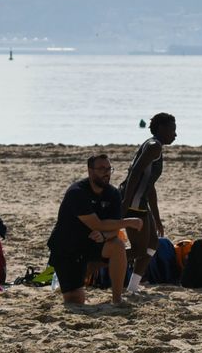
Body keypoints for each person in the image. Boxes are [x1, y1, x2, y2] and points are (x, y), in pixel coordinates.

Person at [47, 154, 142, 305]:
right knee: (75, 300)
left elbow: (113, 228)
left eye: (109, 169)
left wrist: (104, 236)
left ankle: (117, 300)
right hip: (67, 248)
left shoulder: (113, 194)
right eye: (101, 169)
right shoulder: (77, 192)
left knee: (117, 245)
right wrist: (128, 222)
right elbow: (97, 224)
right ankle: (67, 280)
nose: (106, 172)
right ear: (90, 171)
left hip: (92, 244)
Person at [118, 113, 176, 294]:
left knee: (153, 244)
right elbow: (135, 173)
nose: (175, 134)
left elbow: (150, 187)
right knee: (139, 250)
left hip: (140, 201)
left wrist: (157, 219)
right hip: (133, 201)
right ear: (161, 128)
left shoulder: (155, 147)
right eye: (172, 130)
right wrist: (126, 202)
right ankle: (96, 262)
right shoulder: (153, 146)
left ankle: (133, 287)